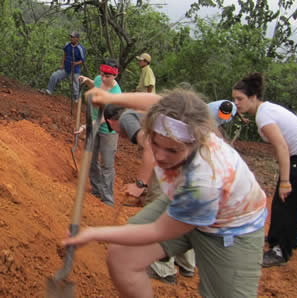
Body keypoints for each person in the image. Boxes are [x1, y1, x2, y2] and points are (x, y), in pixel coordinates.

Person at [64, 88, 267, 298]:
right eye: (155, 144)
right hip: (180, 200)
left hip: (229, 228)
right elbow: (157, 101)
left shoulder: (204, 179)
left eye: (172, 150)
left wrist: (93, 233)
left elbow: (156, 231)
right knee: (122, 255)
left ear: (195, 143)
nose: (159, 156)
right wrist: (110, 98)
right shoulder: (179, 122)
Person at [232, 72, 297, 268]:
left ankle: (281, 250)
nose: (237, 103)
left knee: (286, 201)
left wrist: (285, 181)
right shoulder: (265, 111)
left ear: (253, 97)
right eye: (234, 99)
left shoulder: (264, 117)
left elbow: (282, 147)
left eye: (240, 99)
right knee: (283, 199)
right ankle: (285, 237)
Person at [104, 106, 196, 283]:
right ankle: (187, 265)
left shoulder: (127, 119)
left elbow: (149, 149)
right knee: (179, 209)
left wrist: (140, 184)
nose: (117, 134)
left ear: (112, 121)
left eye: (112, 129)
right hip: (188, 161)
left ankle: (163, 270)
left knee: (158, 209)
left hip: (174, 163)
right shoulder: (142, 116)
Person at [76, 59, 121, 206]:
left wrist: (85, 126)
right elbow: (95, 85)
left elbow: (103, 118)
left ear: (115, 75)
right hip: (93, 125)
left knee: (107, 165)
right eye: (102, 74)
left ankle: (107, 200)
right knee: (91, 160)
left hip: (108, 130)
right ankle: (96, 190)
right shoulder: (98, 79)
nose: (103, 78)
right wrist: (87, 80)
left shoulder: (116, 93)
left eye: (107, 76)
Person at [40, 31, 86, 102]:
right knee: (54, 75)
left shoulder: (80, 48)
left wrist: (75, 63)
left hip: (75, 70)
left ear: (77, 38)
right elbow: (64, 54)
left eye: (73, 37)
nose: (71, 38)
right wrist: (62, 64)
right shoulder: (67, 45)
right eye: (71, 37)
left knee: (75, 86)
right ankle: (49, 90)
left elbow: (82, 60)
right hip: (66, 68)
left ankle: (75, 101)